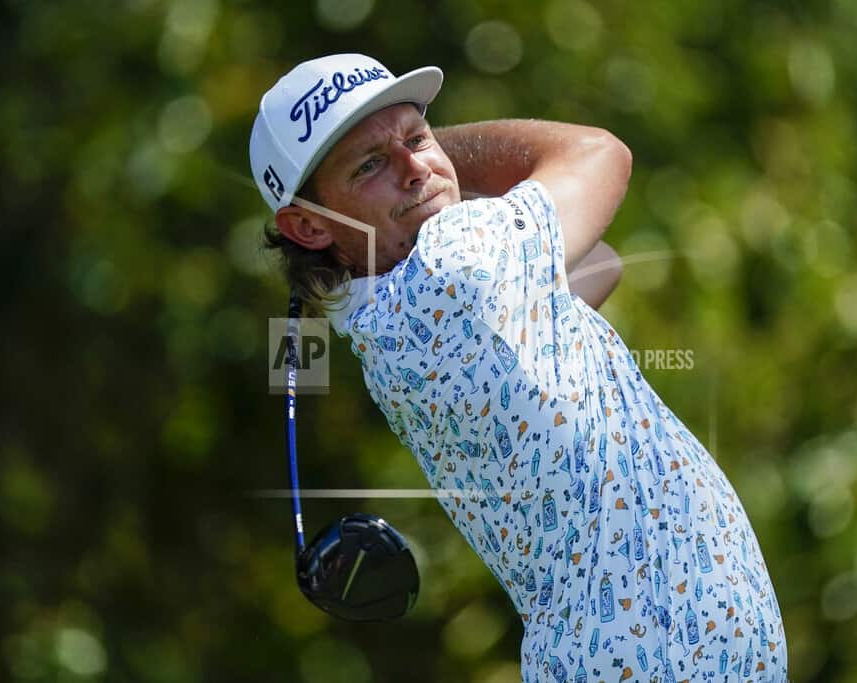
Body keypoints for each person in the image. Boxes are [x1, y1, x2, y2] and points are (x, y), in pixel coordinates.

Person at [251, 53, 788, 682]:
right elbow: (600, 154)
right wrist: (442, 154)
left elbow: (598, 266)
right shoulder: (451, 269)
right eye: (370, 165)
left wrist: (405, 173)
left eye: (418, 138)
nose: (414, 167)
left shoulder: (388, 322)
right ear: (310, 225)